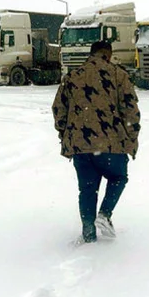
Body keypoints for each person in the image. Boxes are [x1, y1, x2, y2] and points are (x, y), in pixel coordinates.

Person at [52, 40, 141, 243]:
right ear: (108, 55)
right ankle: (105, 214)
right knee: (119, 177)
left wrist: (66, 135)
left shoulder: (73, 76)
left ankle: (88, 232)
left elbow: (59, 110)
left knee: (87, 189)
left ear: (90, 54)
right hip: (112, 145)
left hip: (80, 146)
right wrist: (131, 138)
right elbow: (131, 111)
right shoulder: (119, 75)